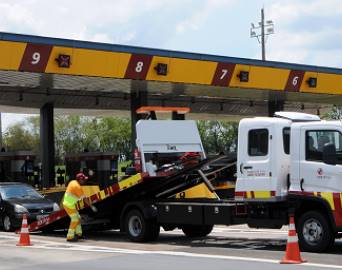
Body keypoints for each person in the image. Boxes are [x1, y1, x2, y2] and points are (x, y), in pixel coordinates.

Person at [63, 172, 96, 242]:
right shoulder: (77, 187)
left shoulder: (73, 182)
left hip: (69, 204)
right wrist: (91, 206)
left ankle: (79, 234)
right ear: (80, 180)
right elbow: (84, 199)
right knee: (74, 219)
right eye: (83, 179)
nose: (85, 181)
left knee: (78, 218)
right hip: (69, 205)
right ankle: (70, 236)